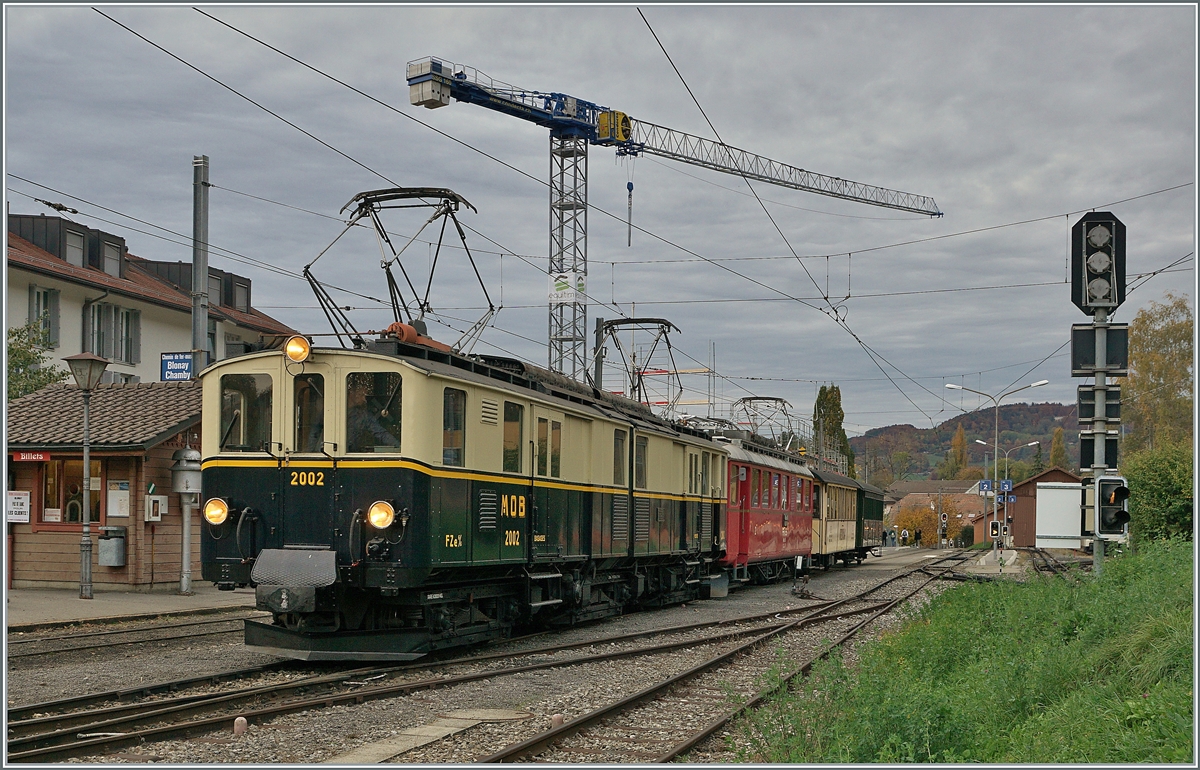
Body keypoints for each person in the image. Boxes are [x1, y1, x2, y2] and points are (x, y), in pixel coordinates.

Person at [347, 381, 398, 452]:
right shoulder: (332, 411)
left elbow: (380, 433)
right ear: (352, 394)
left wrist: (398, 446)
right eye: (361, 395)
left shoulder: (363, 416)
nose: (364, 399)